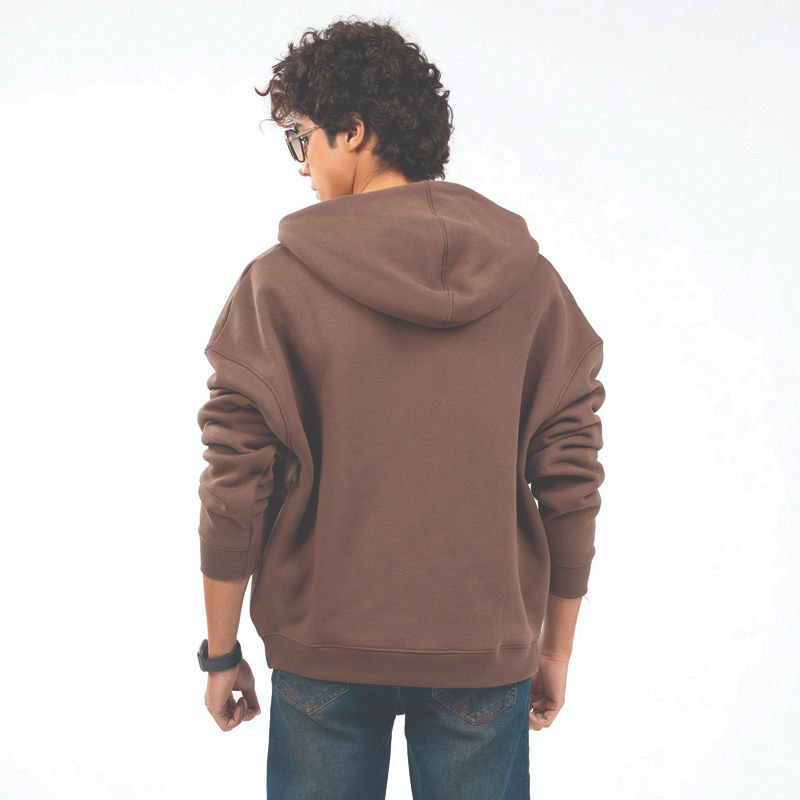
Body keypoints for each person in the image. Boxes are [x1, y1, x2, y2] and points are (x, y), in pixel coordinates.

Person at [195, 16, 605, 800]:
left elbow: (234, 484)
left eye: (304, 136)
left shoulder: (278, 284)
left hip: (322, 647)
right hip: (483, 648)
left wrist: (221, 653)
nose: (302, 163)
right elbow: (570, 479)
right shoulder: (533, 285)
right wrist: (554, 648)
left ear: (353, 131)